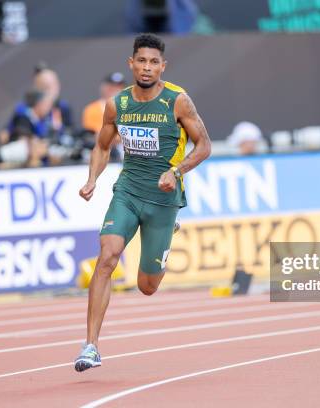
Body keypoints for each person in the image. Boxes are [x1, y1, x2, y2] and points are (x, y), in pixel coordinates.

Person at [74, 33, 211, 372]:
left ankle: (167, 233)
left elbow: (205, 146)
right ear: (131, 63)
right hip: (128, 192)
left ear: (163, 66)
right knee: (106, 257)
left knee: (147, 286)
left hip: (164, 199)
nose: (147, 68)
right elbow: (103, 147)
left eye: (154, 62)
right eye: (141, 61)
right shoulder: (117, 104)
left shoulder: (178, 101)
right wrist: (93, 179)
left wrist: (176, 171)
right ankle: (90, 346)